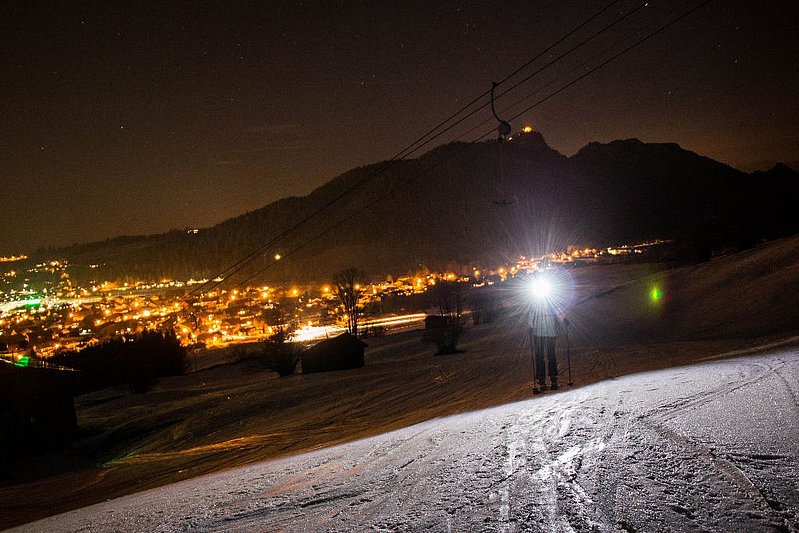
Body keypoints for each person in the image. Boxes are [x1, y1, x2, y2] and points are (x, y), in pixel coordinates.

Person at [530, 296, 559, 393]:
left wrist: (563, 319)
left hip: (550, 331)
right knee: (540, 356)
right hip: (538, 332)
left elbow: (557, 310)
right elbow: (531, 312)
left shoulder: (551, 299)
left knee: (551, 355)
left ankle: (553, 378)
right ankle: (541, 379)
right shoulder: (535, 300)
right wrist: (530, 325)